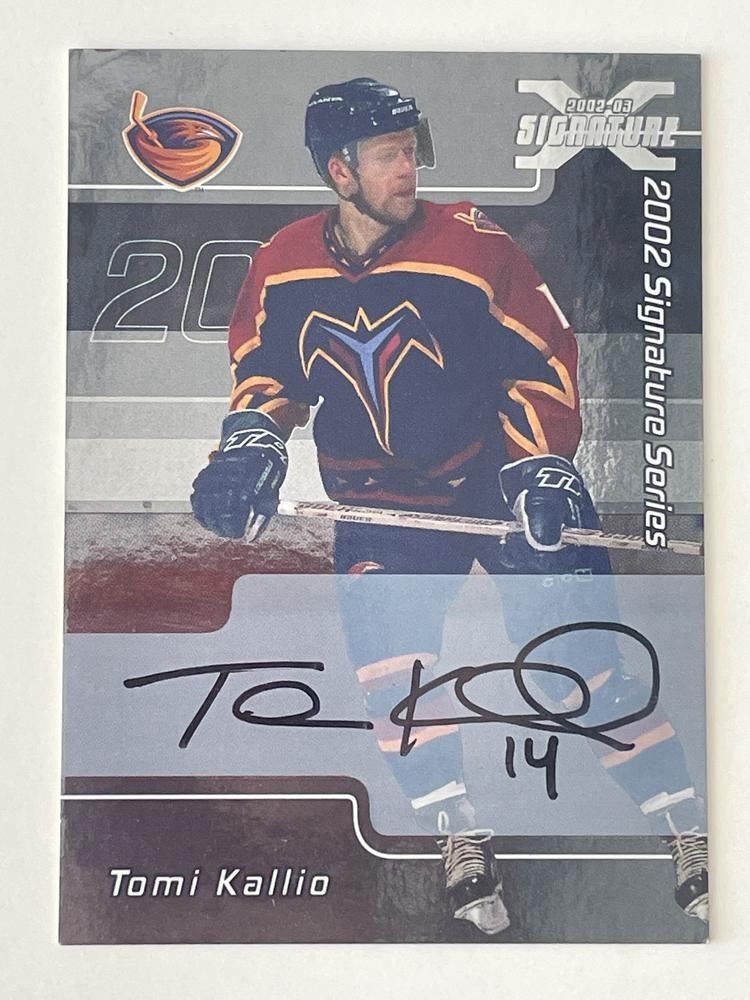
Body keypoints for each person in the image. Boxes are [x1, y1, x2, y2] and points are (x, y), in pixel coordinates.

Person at [191, 77, 707, 934]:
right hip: (380, 504)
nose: (410, 170)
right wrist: (249, 447)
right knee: (395, 683)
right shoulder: (281, 262)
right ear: (339, 171)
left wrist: (541, 468)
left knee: (585, 663)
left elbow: (543, 359)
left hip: (499, 487)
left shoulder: (472, 245)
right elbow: (266, 372)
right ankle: (459, 831)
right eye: (390, 155)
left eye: (411, 151)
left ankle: (686, 826)